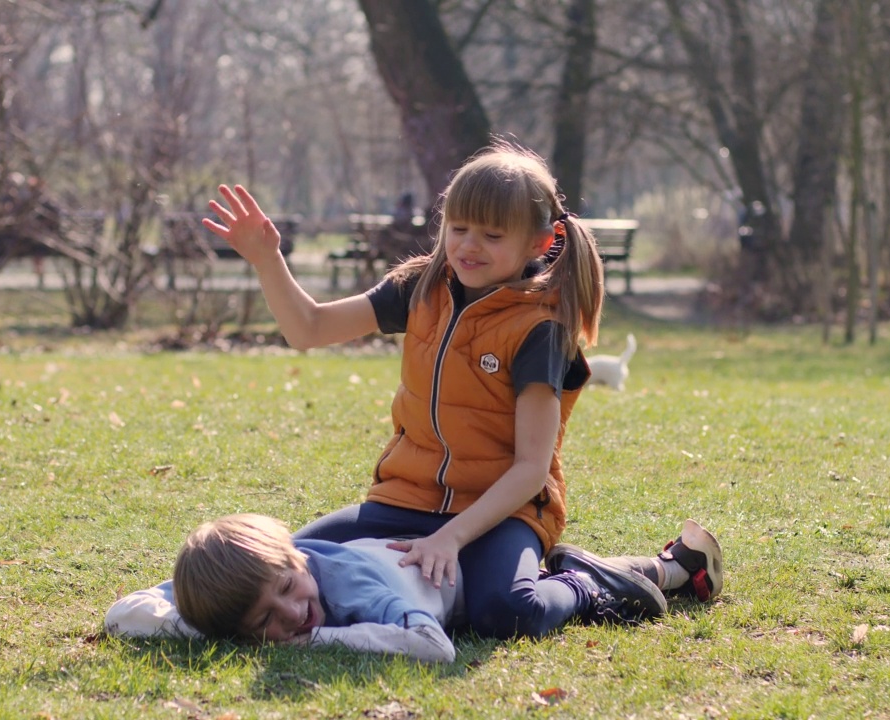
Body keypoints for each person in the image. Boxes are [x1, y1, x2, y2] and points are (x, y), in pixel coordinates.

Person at [200, 140, 722, 640]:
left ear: (539, 243)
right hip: (400, 500)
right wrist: (268, 260)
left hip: (501, 513)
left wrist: (450, 538)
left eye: (493, 236)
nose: (469, 246)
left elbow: (531, 470)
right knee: (290, 562)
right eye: (459, 227)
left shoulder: (541, 330)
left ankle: (592, 582)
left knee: (507, 611)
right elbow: (308, 328)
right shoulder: (418, 288)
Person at [105, 514, 716, 663]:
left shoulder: (349, 585)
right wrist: (203, 620)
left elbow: (434, 647)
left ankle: (589, 578)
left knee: (512, 609)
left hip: (468, 557)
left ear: (296, 558)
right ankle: (676, 562)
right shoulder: (243, 587)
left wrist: (316, 642)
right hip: (423, 533)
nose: (296, 611)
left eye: (290, 587)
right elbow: (123, 614)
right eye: (267, 618)